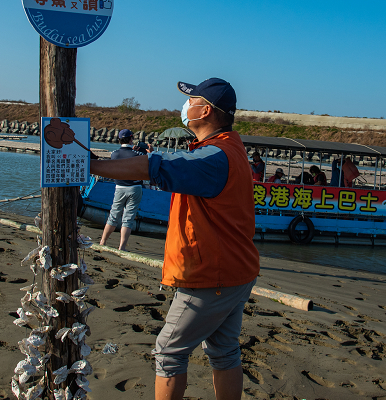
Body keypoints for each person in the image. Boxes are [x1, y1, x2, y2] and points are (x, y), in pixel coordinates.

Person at [89, 78, 259, 400]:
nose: (185, 106)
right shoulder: (229, 149)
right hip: (237, 270)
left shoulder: (214, 156)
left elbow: (158, 166)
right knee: (224, 351)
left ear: (205, 110)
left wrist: (90, 165)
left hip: (213, 275)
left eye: (191, 101)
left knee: (168, 352)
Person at [100, 129, 146, 251]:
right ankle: (122, 247)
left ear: (120, 140)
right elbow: (149, 158)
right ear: (131, 139)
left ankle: (103, 241)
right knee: (128, 218)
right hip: (135, 188)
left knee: (113, 215)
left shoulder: (114, 154)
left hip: (119, 187)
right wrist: (145, 150)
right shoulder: (137, 154)